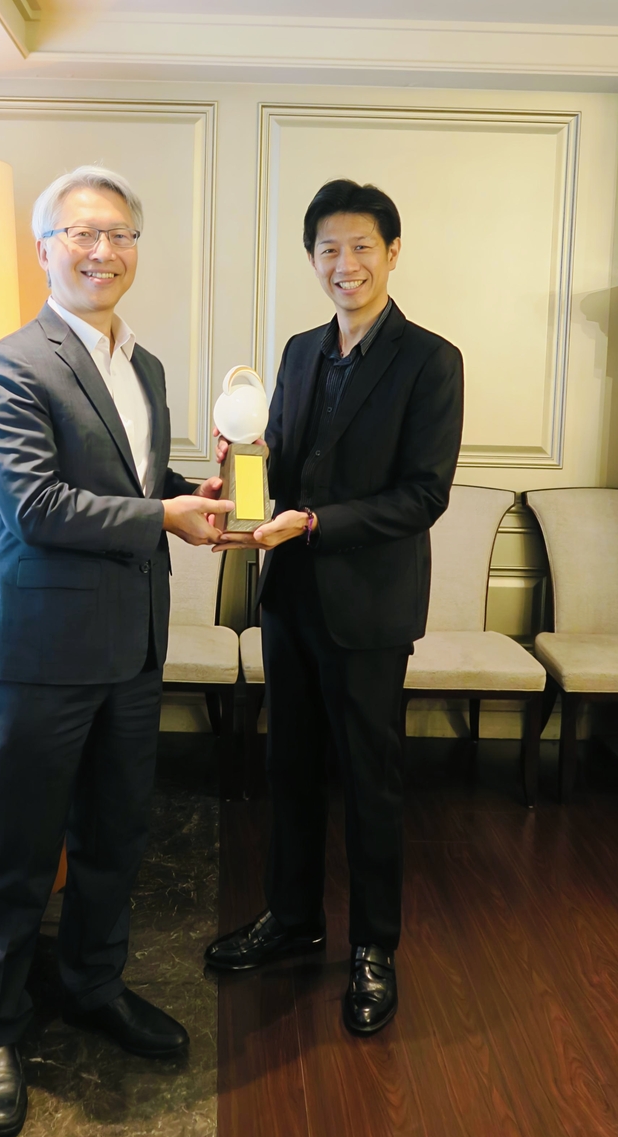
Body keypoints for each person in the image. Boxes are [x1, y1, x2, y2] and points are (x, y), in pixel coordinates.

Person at [0, 165, 232, 1137]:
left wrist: (209, 490)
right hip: (39, 650)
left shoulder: (145, 367)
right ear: (44, 251)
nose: (100, 251)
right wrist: (161, 512)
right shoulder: (8, 366)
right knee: (18, 849)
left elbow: (138, 479)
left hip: (130, 645)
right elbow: (36, 507)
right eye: (80, 234)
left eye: (117, 235)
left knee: (117, 835)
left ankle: (92, 985)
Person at [204, 179, 464, 1036]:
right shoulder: (298, 350)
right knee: (292, 769)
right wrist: (241, 473)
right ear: (311, 258)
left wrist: (315, 520)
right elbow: (279, 470)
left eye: (360, 247)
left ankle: (374, 948)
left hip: (370, 608)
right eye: (327, 250)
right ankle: (293, 918)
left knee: (370, 780)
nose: (343, 265)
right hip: (292, 597)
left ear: (393, 252)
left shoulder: (431, 359)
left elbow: (423, 495)